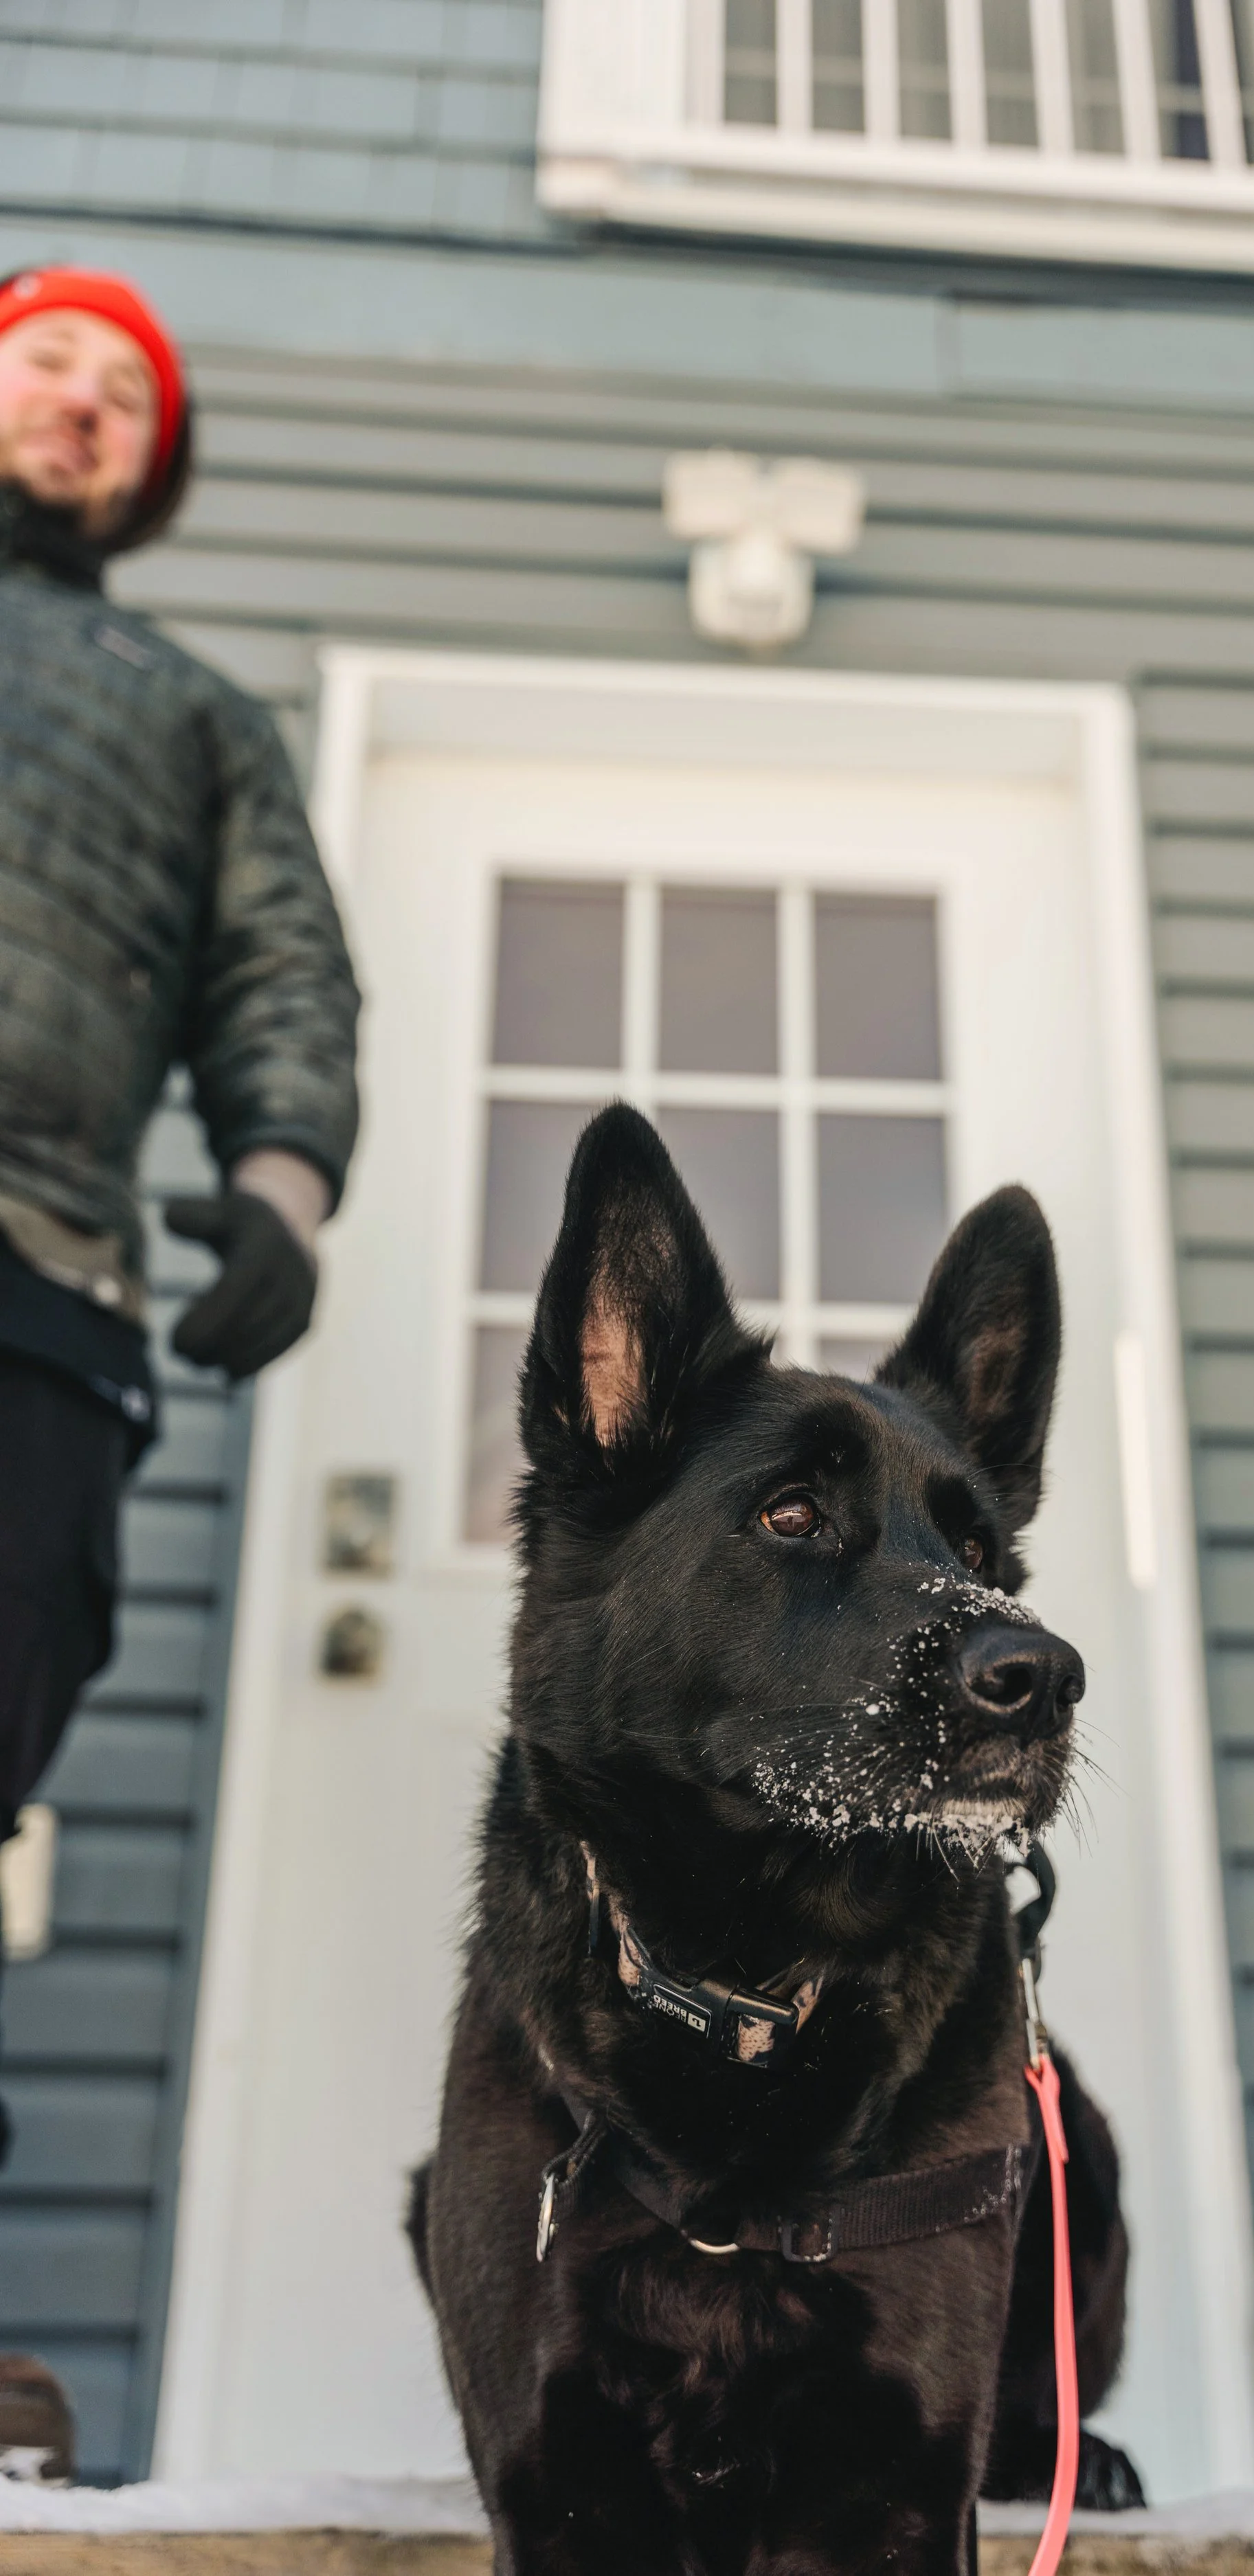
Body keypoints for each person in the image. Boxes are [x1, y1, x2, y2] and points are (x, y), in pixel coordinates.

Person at [0, 265, 360, 2451]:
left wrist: (289, 1189)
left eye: (124, 394)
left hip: (40, 1289)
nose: (81, 404)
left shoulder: (194, 715)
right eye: (48, 357)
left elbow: (282, 975)